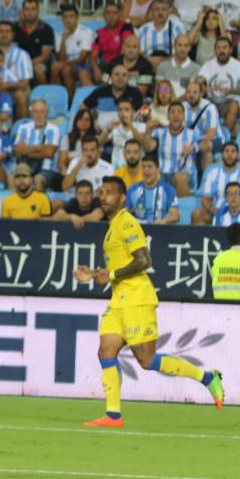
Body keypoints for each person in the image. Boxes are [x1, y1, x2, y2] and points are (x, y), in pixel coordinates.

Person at [75, 176, 225, 428]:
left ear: (122, 198)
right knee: (106, 350)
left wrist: (109, 275)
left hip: (137, 300)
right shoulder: (112, 227)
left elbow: (145, 260)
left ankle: (208, 378)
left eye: (110, 192)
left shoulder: (127, 223)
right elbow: (120, 265)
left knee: (146, 361)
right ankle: (113, 415)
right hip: (119, 300)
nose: (103, 196)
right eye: (102, 192)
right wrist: (94, 272)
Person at [197, 36, 240, 131]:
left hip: (230, 104)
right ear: (215, 50)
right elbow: (197, 83)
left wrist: (229, 91)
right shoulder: (207, 65)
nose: (221, 51)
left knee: (233, 105)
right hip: (211, 103)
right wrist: (203, 88)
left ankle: (225, 139)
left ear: (230, 50)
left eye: (224, 47)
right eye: (218, 47)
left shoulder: (239, 66)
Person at [194, 141, 240, 224]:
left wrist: (232, 212)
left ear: (238, 155)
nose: (229, 155)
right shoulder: (212, 173)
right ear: (222, 155)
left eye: (233, 151)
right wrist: (216, 211)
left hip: (238, 211)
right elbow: (205, 199)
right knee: (197, 214)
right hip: (216, 211)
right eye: (226, 151)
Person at [13, 99, 63, 192]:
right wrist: (38, 148)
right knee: (14, 176)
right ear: (31, 113)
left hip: (47, 169)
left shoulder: (54, 129)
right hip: (25, 167)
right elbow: (17, 150)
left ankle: (40, 205)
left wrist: (27, 150)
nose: (39, 115)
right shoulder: (23, 127)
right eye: (35, 112)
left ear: (47, 112)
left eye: (42, 112)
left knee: (38, 179)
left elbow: (49, 153)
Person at [52, 3, 94, 93]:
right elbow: (60, 58)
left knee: (63, 68)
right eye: (65, 17)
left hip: (83, 66)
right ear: (62, 19)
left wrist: (63, 64)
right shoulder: (59, 35)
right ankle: (59, 98)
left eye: (71, 16)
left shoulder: (86, 31)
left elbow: (82, 59)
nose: (68, 20)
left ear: (77, 17)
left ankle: (71, 101)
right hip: (67, 66)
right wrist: (64, 38)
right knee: (57, 67)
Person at [125, 154, 180, 224]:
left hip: (161, 230)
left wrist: (162, 221)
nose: (146, 170)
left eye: (150, 167)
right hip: (138, 231)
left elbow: (175, 216)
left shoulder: (168, 190)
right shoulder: (132, 190)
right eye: (143, 167)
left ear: (157, 170)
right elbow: (124, 214)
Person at [14, 0, 55, 86]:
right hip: (18, 63)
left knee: (39, 71)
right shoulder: (15, 28)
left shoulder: (46, 29)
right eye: (27, 9)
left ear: (38, 10)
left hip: (39, 63)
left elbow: (45, 56)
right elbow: (13, 50)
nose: (30, 12)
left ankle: (43, 96)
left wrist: (26, 65)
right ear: (23, 11)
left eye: (33, 9)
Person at [135, 0, 185, 68]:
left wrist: (165, 61)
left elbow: (183, 50)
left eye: (163, 9)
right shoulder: (143, 29)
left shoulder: (177, 28)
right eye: (157, 10)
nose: (160, 12)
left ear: (168, 12)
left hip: (172, 64)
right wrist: (150, 60)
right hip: (148, 64)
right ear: (152, 12)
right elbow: (139, 52)